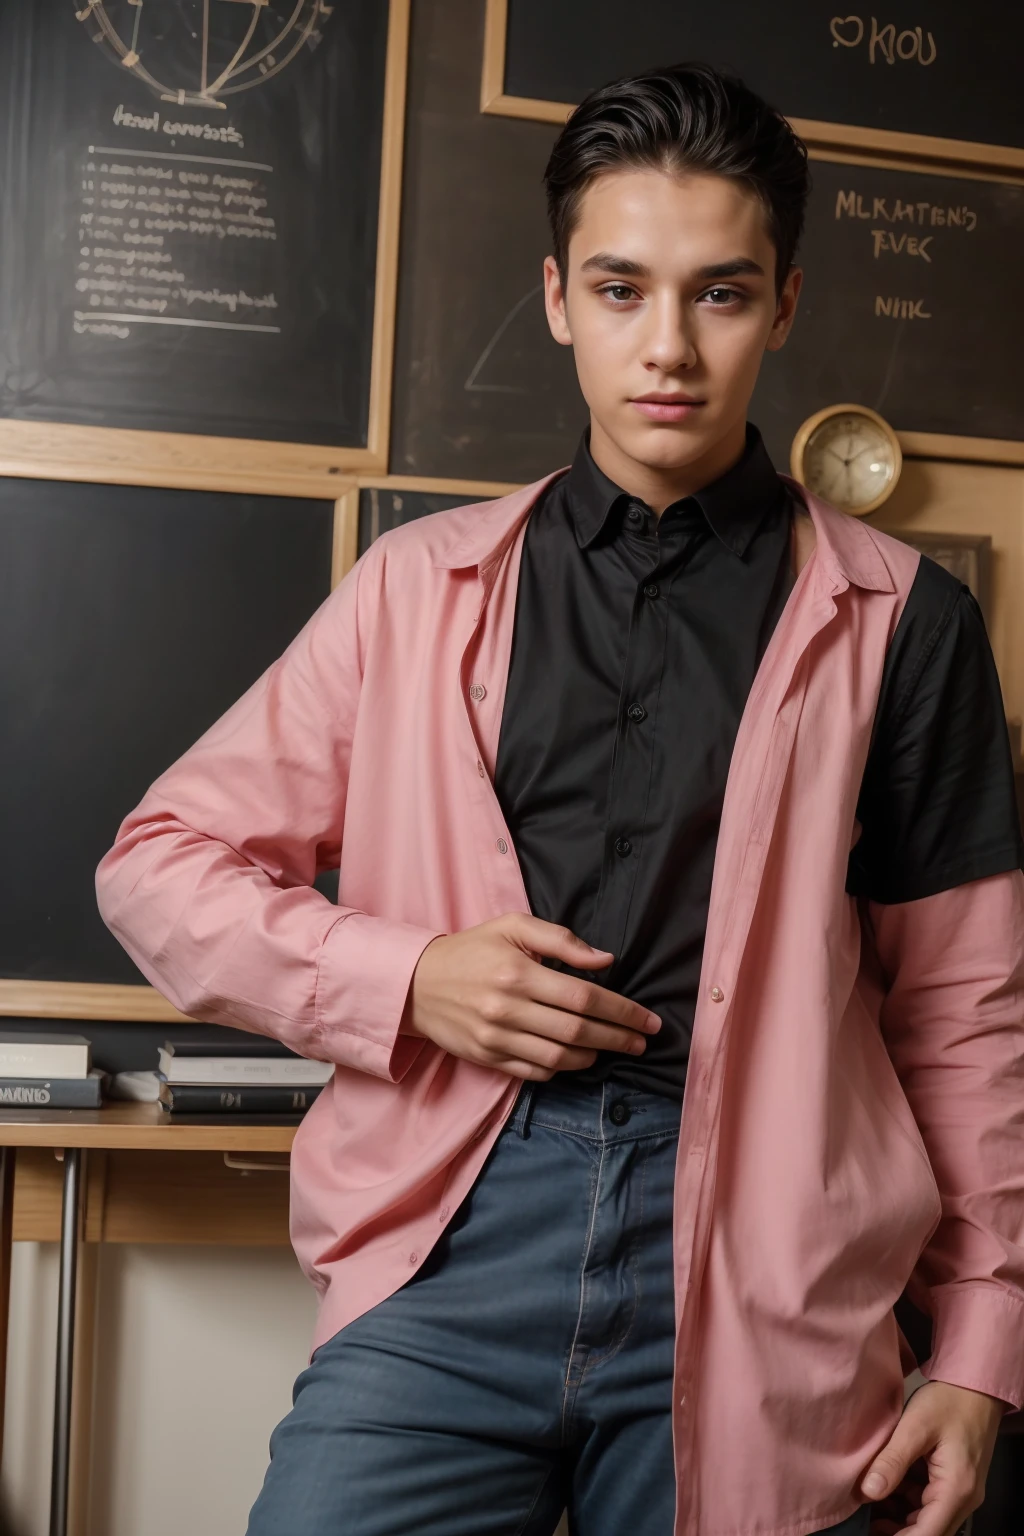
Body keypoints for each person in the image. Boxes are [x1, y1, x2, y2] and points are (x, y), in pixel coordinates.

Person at [95, 62, 1024, 1536]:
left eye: (720, 295)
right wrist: (409, 977)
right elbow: (159, 863)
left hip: (769, 1254)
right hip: (453, 1231)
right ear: (555, 298)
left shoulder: (905, 619)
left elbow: (962, 1016)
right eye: (619, 288)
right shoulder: (412, 591)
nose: (668, 347)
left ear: (783, 308)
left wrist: (980, 1349)